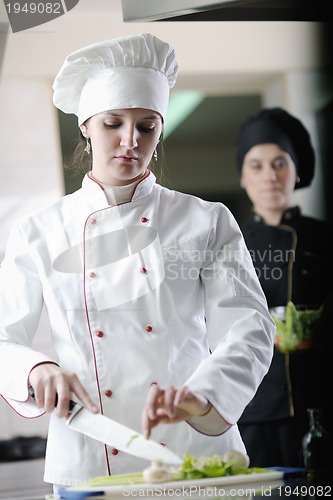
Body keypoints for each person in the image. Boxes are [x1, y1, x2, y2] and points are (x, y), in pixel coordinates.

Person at [0, 33, 275, 490]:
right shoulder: (38, 231)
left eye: (146, 127)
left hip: (191, 449)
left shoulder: (204, 220)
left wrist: (201, 395)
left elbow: (251, 326)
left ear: (160, 130)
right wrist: (36, 369)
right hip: (89, 452)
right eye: (112, 123)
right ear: (86, 127)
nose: (130, 141)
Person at [235, 107, 333, 469]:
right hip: (251, 410)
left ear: (296, 170)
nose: (269, 177)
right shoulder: (229, 242)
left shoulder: (325, 237)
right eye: (256, 166)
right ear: (243, 176)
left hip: (319, 405)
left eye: (280, 163)